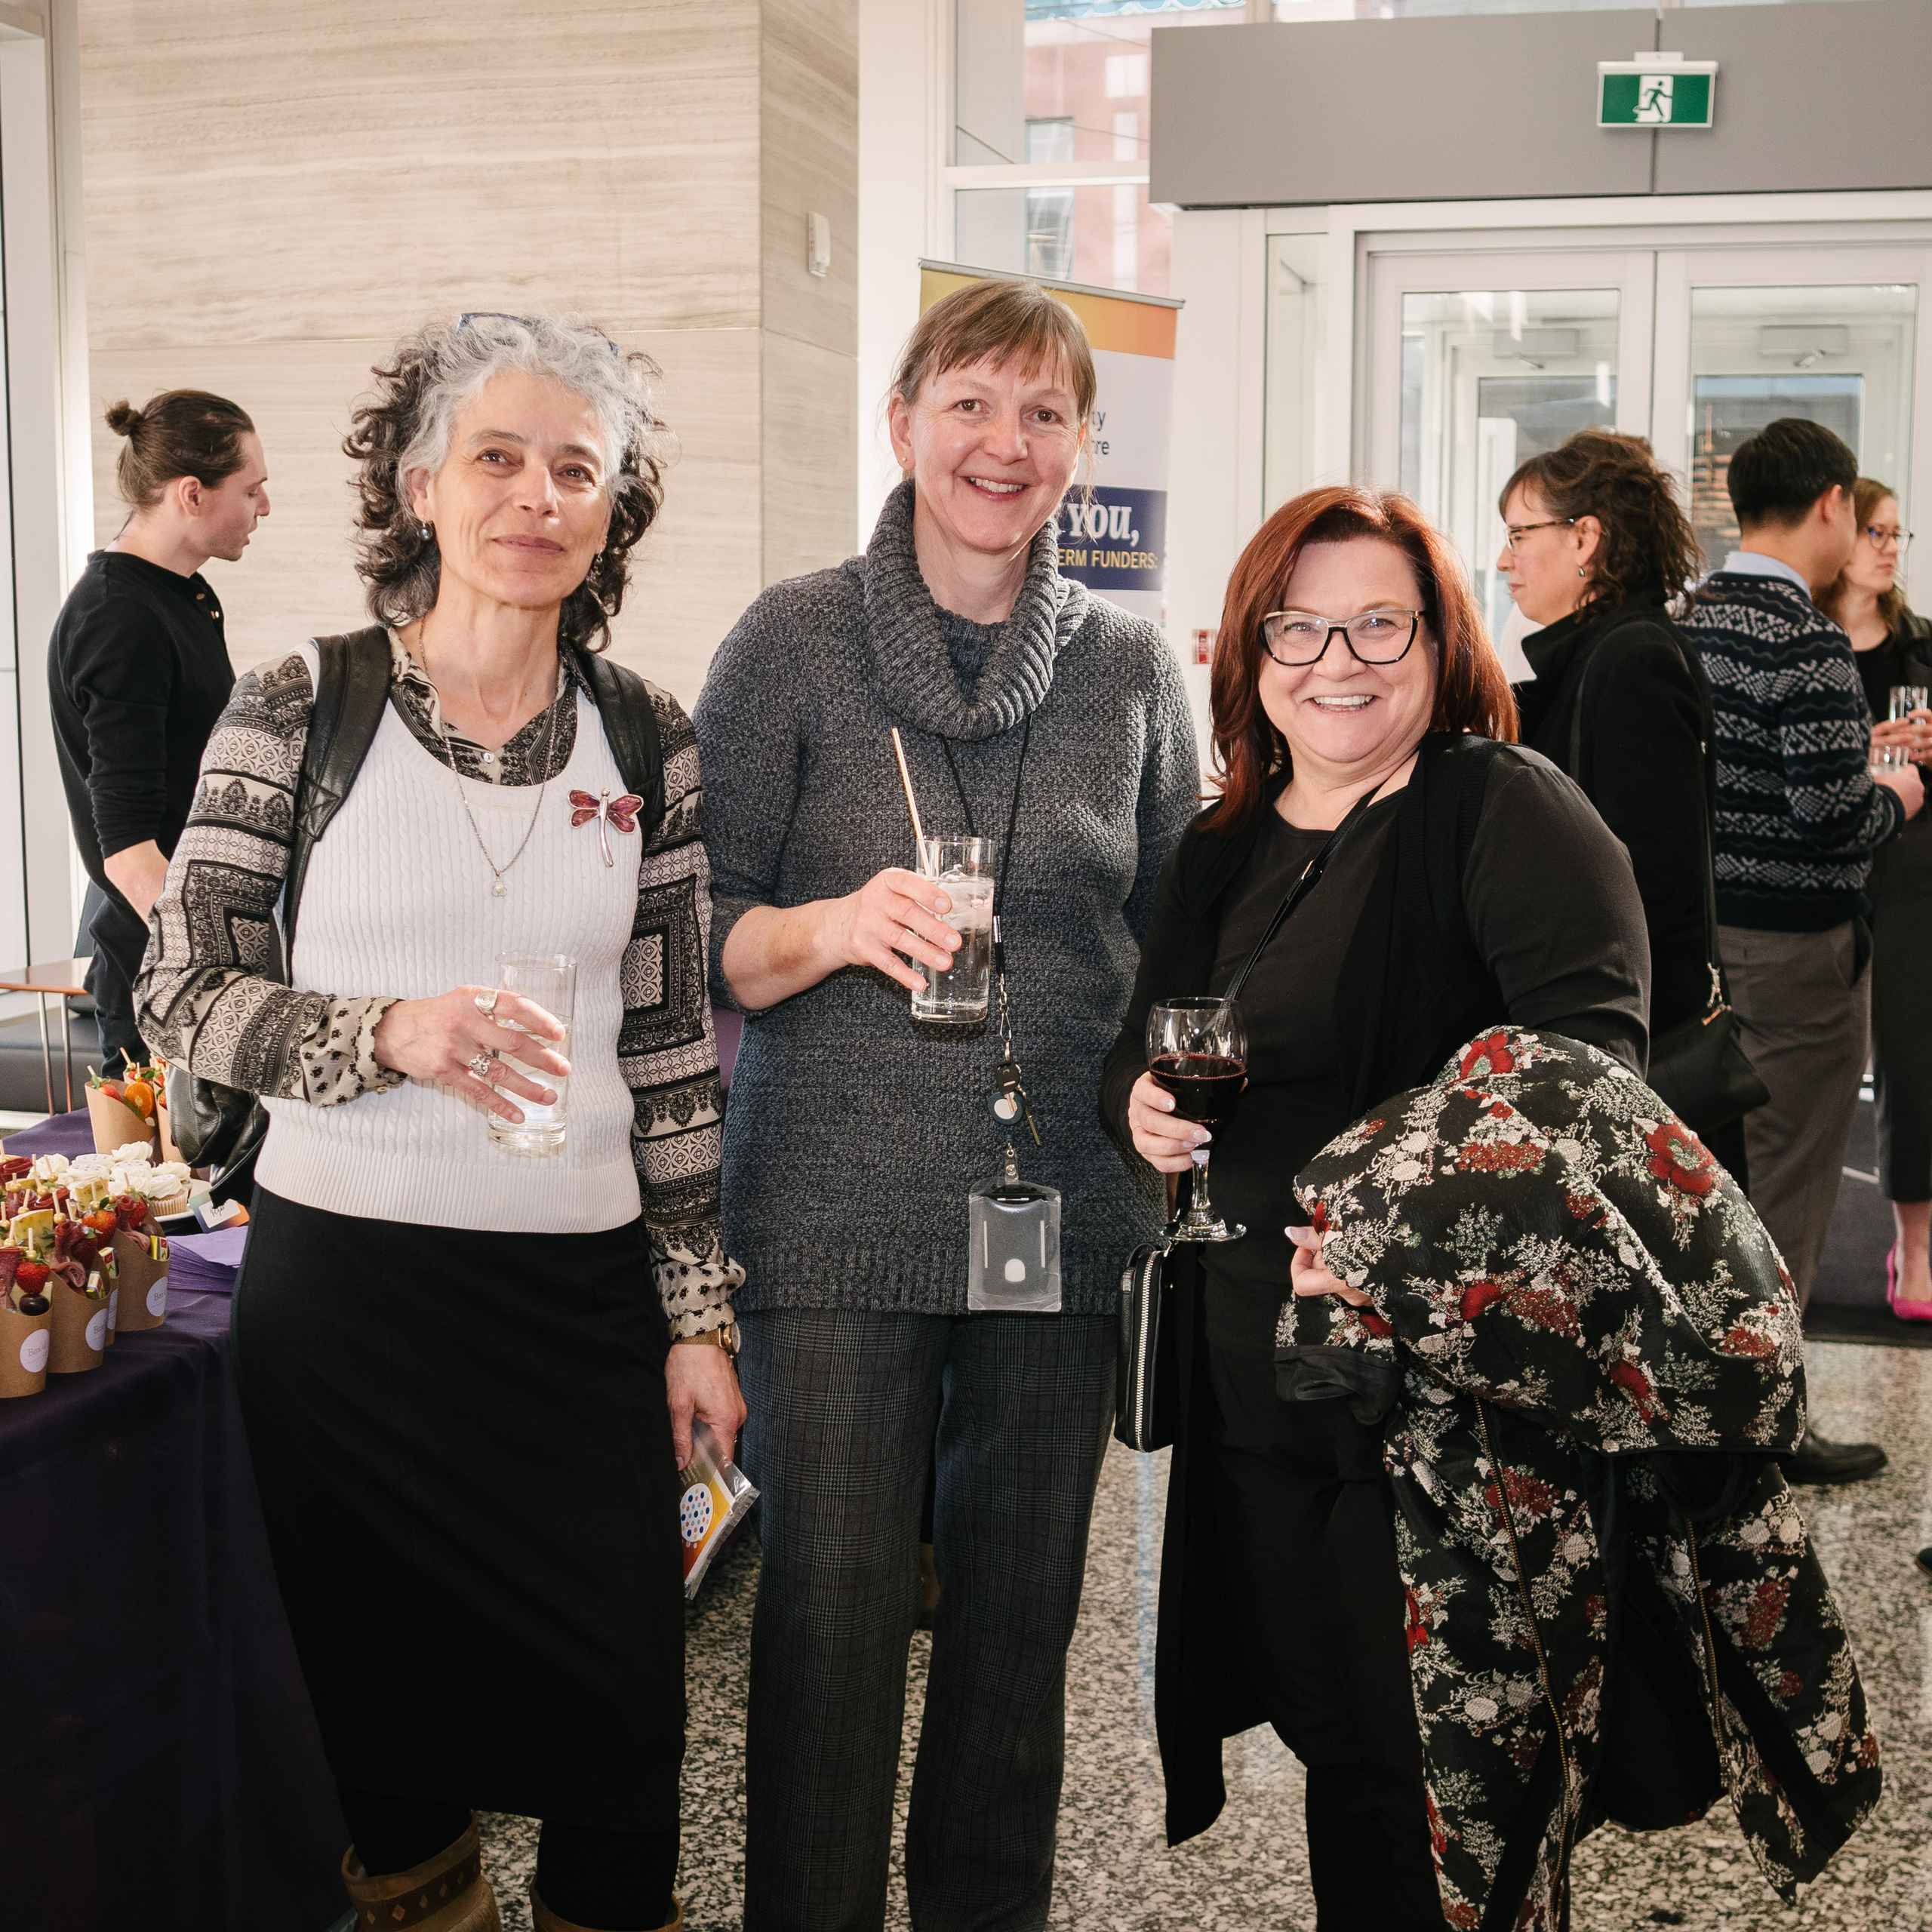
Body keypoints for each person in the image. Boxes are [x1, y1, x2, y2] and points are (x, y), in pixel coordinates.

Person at [137, 314, 743, 1932]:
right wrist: (380, 1031)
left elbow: (675, 1038)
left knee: (625, 1745)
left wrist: (695, 1315)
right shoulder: (297, 704)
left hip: (578, 1307)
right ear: (418, 484)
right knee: (387, 1750)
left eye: (577, 469)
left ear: (611, 511)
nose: (534, 496)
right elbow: (180, 991)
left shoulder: (648, 736)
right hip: (351, 1316)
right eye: (496, 456)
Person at [694, 276, 1197, 1932]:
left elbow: (1185, 930)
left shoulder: (1127, 664)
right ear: (900, 421)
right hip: (832, 1212)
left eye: (1044, 413)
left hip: (1061, 1210)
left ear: (1080, 449)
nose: (1004, 443)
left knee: (1016, 1621)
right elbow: (690, 925)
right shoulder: (791, 640)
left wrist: (1175, 1099)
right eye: (970, 403)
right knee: (827, 1623)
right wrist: (836, 926)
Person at [1102, 485, 1652, 1927]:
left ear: (1439, 641)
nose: (1335, 659)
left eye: (1377, 626)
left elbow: (1588, 1081)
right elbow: (1137, 1050)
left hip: (1439, 1399)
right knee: (1338, 1748)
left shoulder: (1499, 808)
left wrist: (1385, 1214)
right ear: (1250, 650)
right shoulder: (1223, 842)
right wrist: (1139, 1113)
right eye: (1300, 625)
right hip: (1253, 1388)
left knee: (1451, 1773)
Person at [1681, 420, 1922, 1484]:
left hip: (1708, 943)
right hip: (1798, 953)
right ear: (1828, 502)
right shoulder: (1806, 635)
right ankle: (1764, 1425)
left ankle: (1717, 1408)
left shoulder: (1689, 621)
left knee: (1720, 1187)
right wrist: (1900, 794)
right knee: (1790, 1194)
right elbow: (1832, 816)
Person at [1500, 429, 1749, 1180]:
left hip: (1631, 1039)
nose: (1506, 560)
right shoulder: (1593, 653)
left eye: (1518, 534)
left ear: (1585, 538)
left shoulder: (1632, 658)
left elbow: (1655, 881)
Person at [50, 390, 268, 1072]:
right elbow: (129, 853)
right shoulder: (122, 620)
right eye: (253, 489)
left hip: (181, 966)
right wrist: (221, 972)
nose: (265, 507)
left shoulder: (180, 595)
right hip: (162, 982)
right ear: (192, 495)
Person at [1818, 478, 1932, 1321]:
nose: (1889, 548)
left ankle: (1916, 1247)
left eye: (1899, 534)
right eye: (1875, 531)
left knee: (1912, 1063)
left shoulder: (1924, 649)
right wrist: (1865, 752)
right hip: (1819, 877)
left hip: (1908, 874)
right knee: (1811, 1077)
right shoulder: (1808, 648)